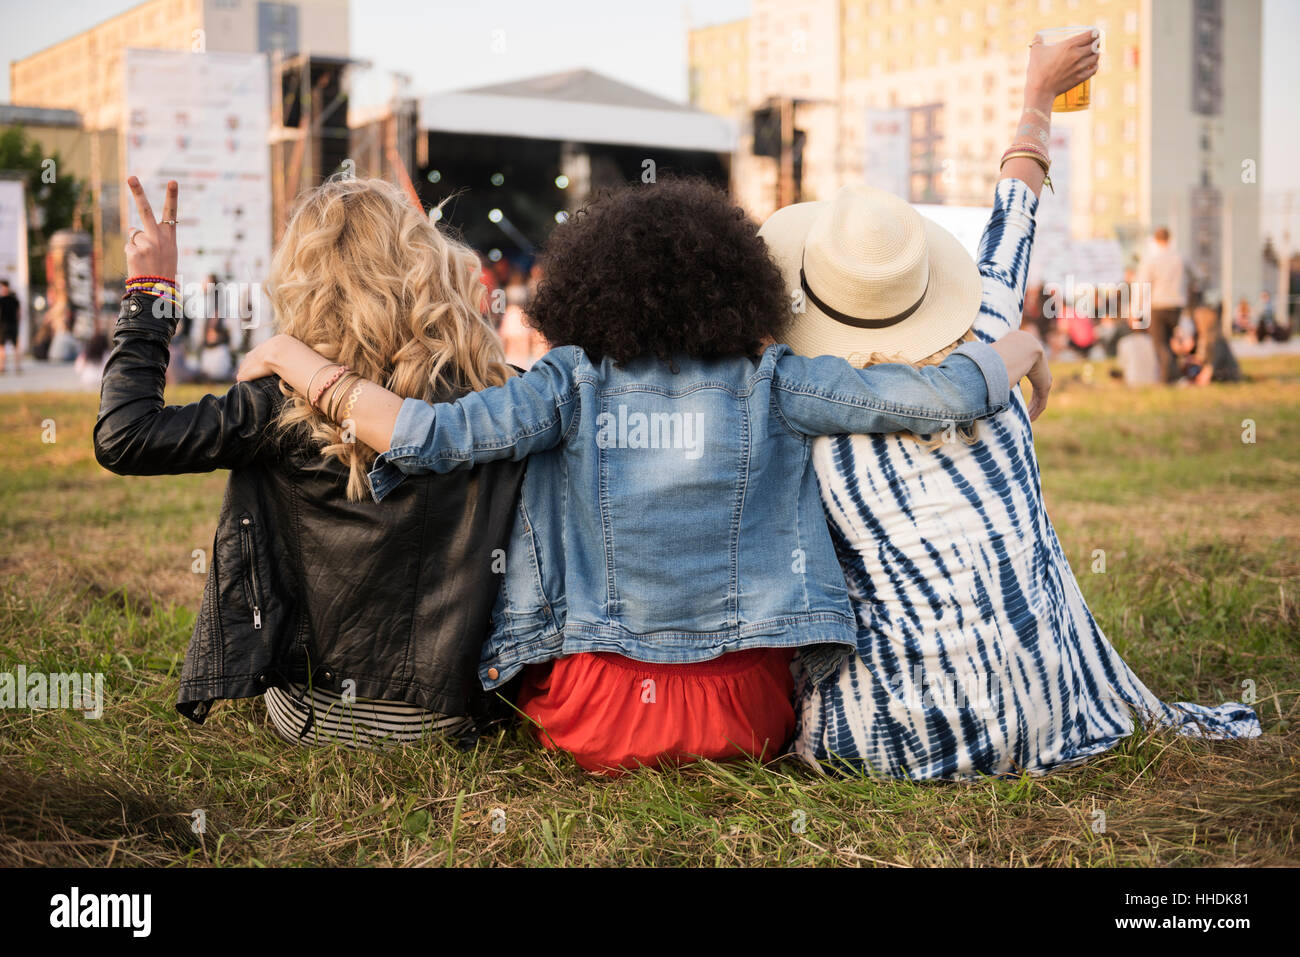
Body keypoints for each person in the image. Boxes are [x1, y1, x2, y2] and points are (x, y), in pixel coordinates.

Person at [238, 179, 1051, 775]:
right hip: (750, 716)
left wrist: (293, 357)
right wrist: (1023, 350)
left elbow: (426, 437)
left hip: (595, 716)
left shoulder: (566, 381)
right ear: (740, 282)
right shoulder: (775, 380)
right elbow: (932, 398)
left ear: (591, 284)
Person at [764, 29, 1259, 780]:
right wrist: (1038, 93)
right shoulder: (990, 331)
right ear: (918, 281)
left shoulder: (791, 399)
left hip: (885, 741)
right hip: (1043, 717)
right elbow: (1015, 208)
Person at [95, 175, 526, 749]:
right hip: (451, 714)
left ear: (305, 278)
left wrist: (151, 293)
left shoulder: (281, 402)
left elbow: (125, 436)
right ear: (426, 262)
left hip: (317, 716)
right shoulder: (494, 393)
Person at [1135, 226, 1190, 383]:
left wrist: (1136, 309)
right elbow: (1197, 276)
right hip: (1177, 304)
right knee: (1174, 342)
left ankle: (1166, 377)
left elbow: (1141, 285)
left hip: (1158, 305)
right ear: (1169, 239)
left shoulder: (1151, 260)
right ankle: (1175, 376)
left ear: (1155, 240)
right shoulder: (1181, 257)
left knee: (1160, 344)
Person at [1190, 304, 1242, 385]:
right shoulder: (1205, 338)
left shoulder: (1216, 341)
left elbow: (1210, 367)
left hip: (1225, 375)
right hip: (1216, 373)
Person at [0, 279, 21, 373]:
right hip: (13, 325)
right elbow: (19, 314)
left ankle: (2, 367)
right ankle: (17, 367)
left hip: (4, 326)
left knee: (2, 347)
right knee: (14, 347)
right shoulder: (14, 299)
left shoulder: (1, 300)